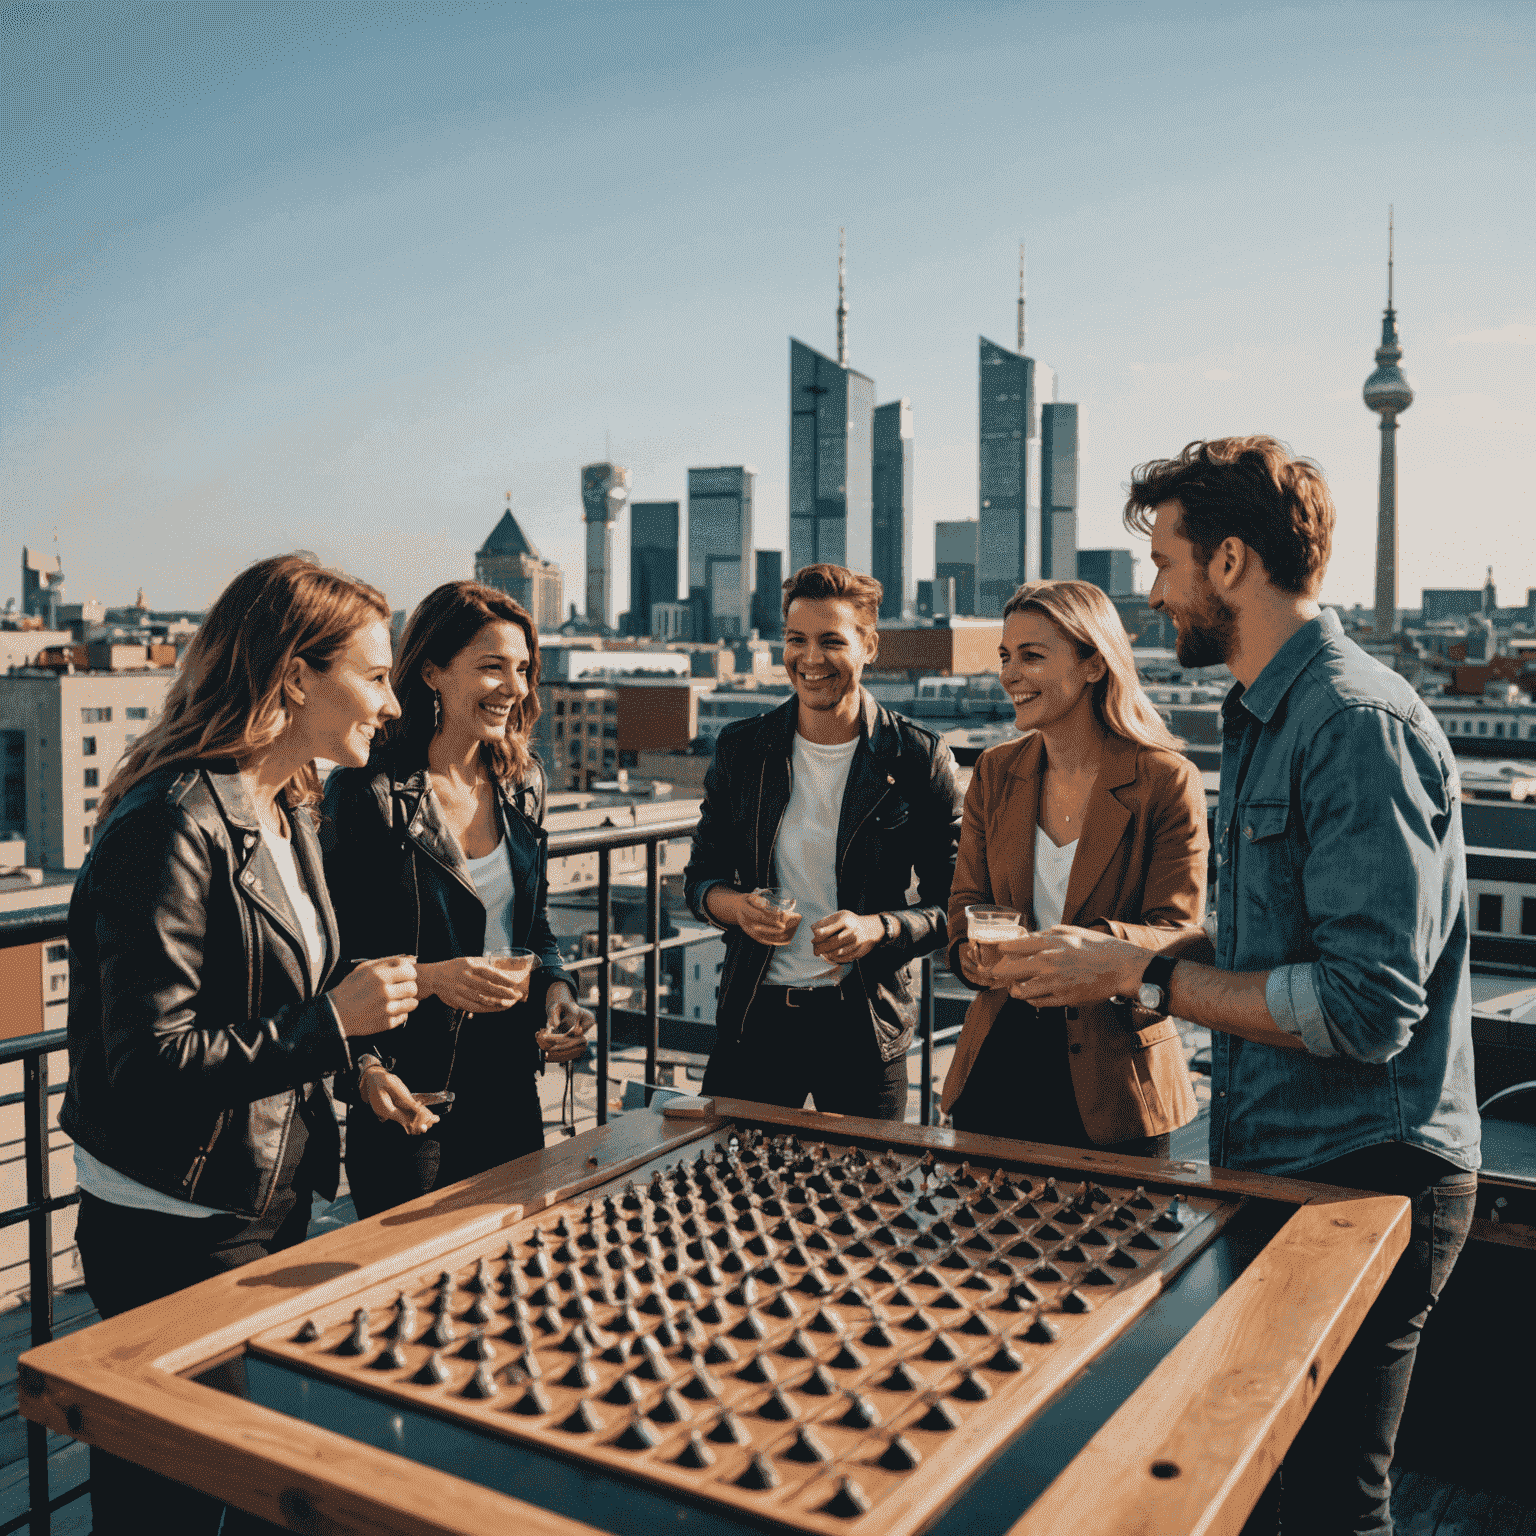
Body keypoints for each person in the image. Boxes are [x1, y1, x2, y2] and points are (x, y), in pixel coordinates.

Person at [994, 436, 1480, 1536]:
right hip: (1295, 1155)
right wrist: (1135, 952)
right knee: (1271, 1485)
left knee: (1328, 1500)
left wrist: (1145, 973)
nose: (1152, 591)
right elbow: (1275, 932)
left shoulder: (1351, 723)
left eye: (1163, 561)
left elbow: (1366, 1006)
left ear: (1227, 563)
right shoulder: (1269, 710)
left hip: (1366, 1167)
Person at [61, 555, 418, 1536]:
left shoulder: (287, 801)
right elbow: (151, 1065)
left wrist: (360, 1063)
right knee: (166, 1501)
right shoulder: (173, 824)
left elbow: (278, 992)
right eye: (376, 676)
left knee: (255, 1479)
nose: (390, 704)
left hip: (264, 1193)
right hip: (175, 1219)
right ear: (296, 676)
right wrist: (335, 1024)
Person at [322, 581, 591, 1219]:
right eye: (492, 667)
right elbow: (335, 956)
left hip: (510, 1085)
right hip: (413, 1090)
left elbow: (534, 927)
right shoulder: (367, 790)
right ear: (434, 672)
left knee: (512, 1273)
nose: (515, 687)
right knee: (412, 1290)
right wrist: (436, 980)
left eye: (522, 669)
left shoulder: (523, 783)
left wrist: (558, 993)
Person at [684, 563, 964, 1119]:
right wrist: (738, 909)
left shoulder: (916, 758)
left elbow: (954, 904)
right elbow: (699, 880)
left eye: (831, 641)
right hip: (753, 1022)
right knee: (732, 1192)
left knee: (868, 1200)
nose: (809, 659)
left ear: (869, 647)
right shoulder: (743, 750)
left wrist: (877, 929)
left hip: (862, 1026)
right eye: (796, 640)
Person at [941, 579, 1205, 1155]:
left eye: (1032, 656)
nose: (1010, 674)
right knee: (980, 1243)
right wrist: (969, 955)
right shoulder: (993, 772)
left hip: (1116, 1083)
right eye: (1005, 657)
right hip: (997, 1063)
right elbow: (965, 904)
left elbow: (1181, 933)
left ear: (1093, 663)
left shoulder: (1165, 780)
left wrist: (1091, 951)